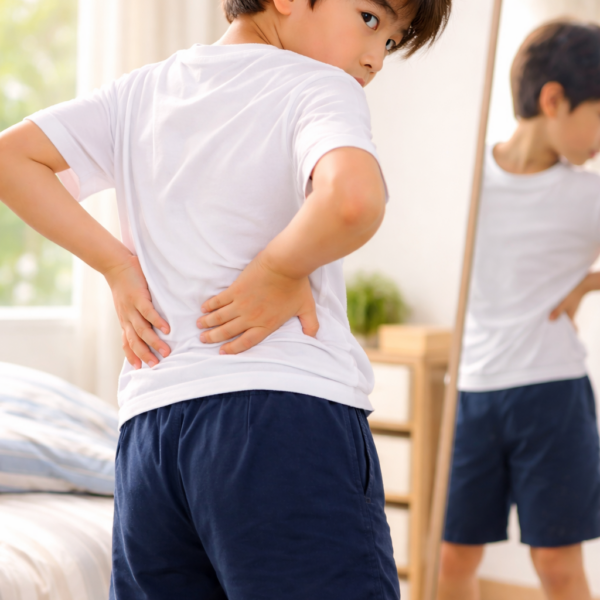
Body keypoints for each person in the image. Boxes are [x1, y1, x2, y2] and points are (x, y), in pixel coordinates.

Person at [0, 0, 451, 597]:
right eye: (371, 18)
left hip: (152, 438)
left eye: (392, 42)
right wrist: (278, 269)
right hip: (284, 417)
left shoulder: (138, 93)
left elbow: (11, 158)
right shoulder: (319, 85)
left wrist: (116, 266)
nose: (376, 58)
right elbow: (354, 200)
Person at [438, 20, 600, 600]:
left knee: (556, 564)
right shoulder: (468, 179)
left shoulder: (588, 196)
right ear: (554, 100)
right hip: (472, 392)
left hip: (552, 396)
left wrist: (587, 284)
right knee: (451, 556)